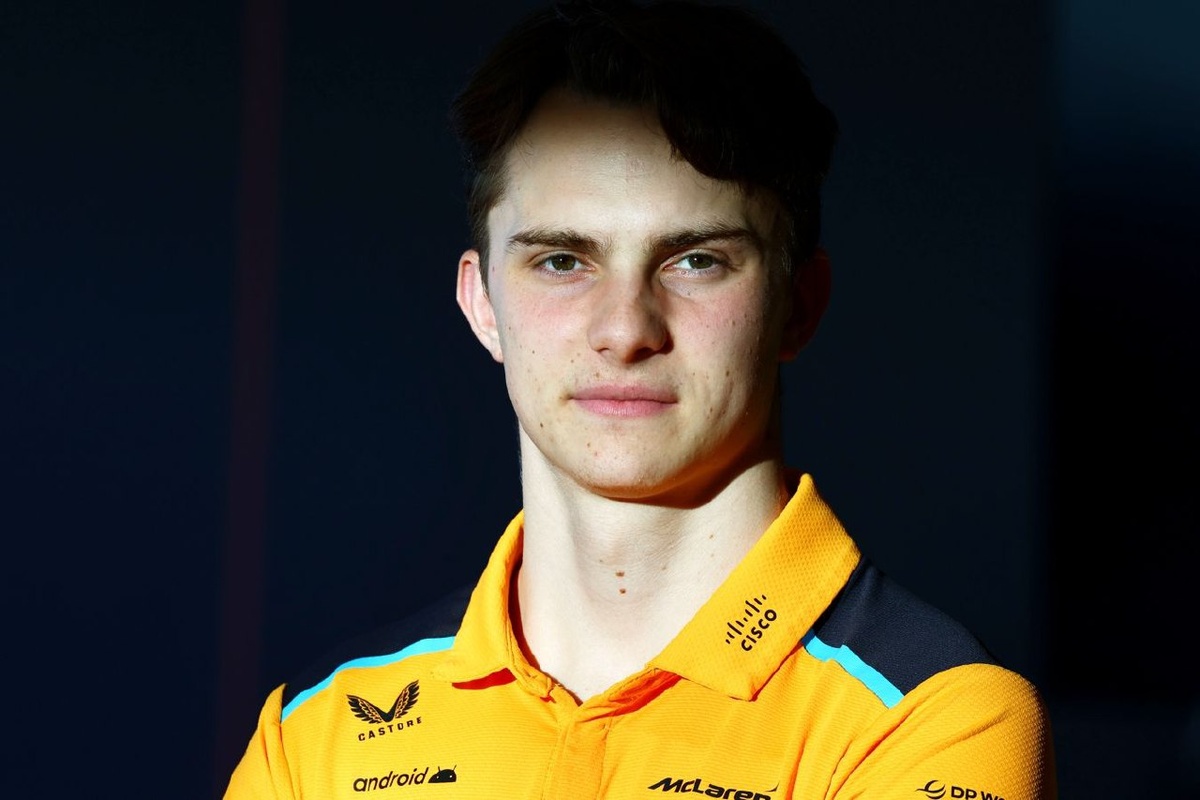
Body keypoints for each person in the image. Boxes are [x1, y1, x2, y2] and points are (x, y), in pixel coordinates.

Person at [224, 1, 1057, 797]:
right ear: (482, 305)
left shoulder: (933, 720)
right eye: (562, 261)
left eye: (696, 261)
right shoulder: (317, 731)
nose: (625, 329)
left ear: (798, 304)